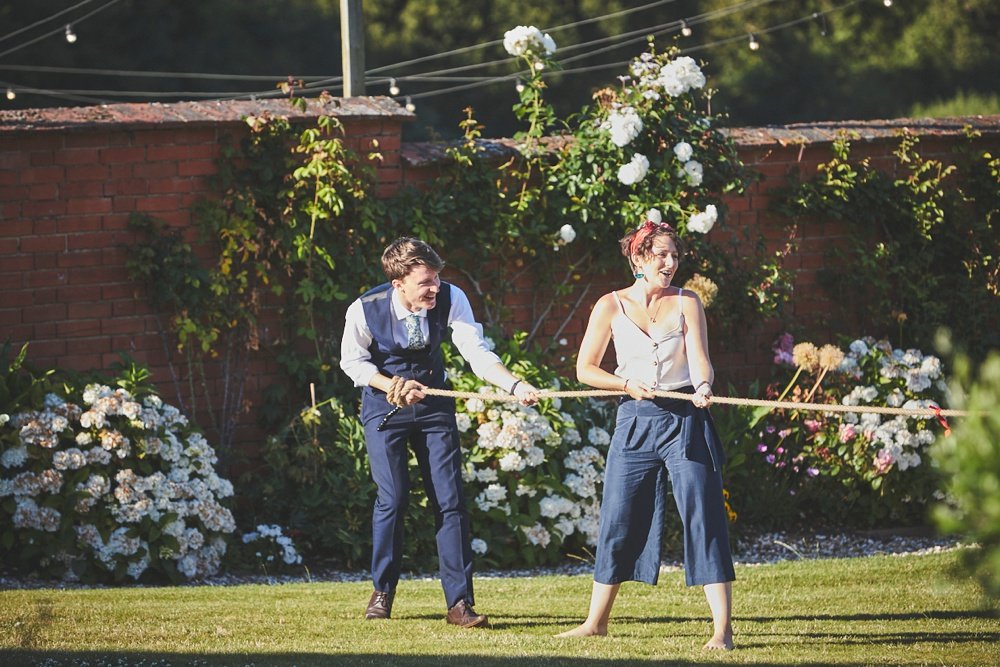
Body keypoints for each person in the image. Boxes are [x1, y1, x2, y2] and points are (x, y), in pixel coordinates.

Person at [340, 236, 539, 628]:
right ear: (398, 283)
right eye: (425, 282)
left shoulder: (452, 297)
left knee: (450, 502)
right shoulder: (365, 309)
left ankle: (460, 604)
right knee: (393, 500)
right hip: (386, 408)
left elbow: (475, 350)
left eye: (436, 279)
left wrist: (514, 385)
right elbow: (353, 363)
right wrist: (390, 385)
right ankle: (382, 591)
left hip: (433, 406)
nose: (434, 288)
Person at [556, 218, 735, 650]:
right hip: (634, 419)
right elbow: (585, 369)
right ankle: (595, 622)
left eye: (675, 256)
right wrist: (625, 385)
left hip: (684, 419)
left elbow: (700, 360)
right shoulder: (610, 305)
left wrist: (704, 386)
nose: (670, 263)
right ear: (638, 257)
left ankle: (722, 630)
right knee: (618, 515)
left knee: (704, 514)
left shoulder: (687, 301)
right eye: (662, 255)